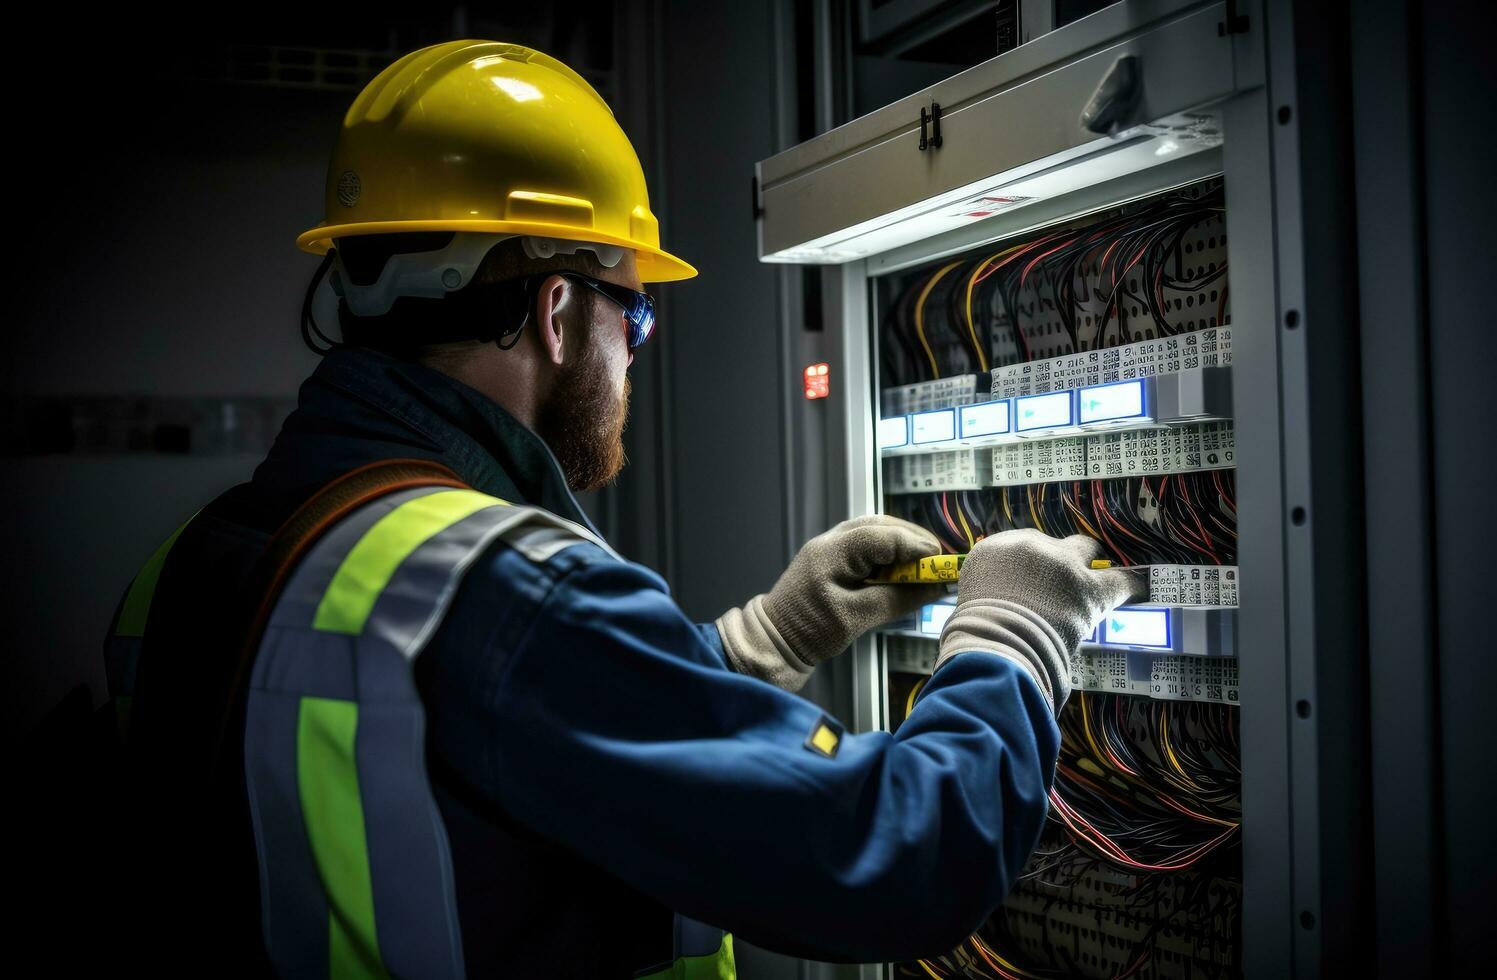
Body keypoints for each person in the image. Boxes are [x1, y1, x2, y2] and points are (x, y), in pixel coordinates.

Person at [104, 40, 1143, 978]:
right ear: (558, 312)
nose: (636, 355)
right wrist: (1012, 636)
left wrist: (758, 643)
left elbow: (490, 756)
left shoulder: (192, 563)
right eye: (634, 316)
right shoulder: (498, 587)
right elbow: (903, 855)